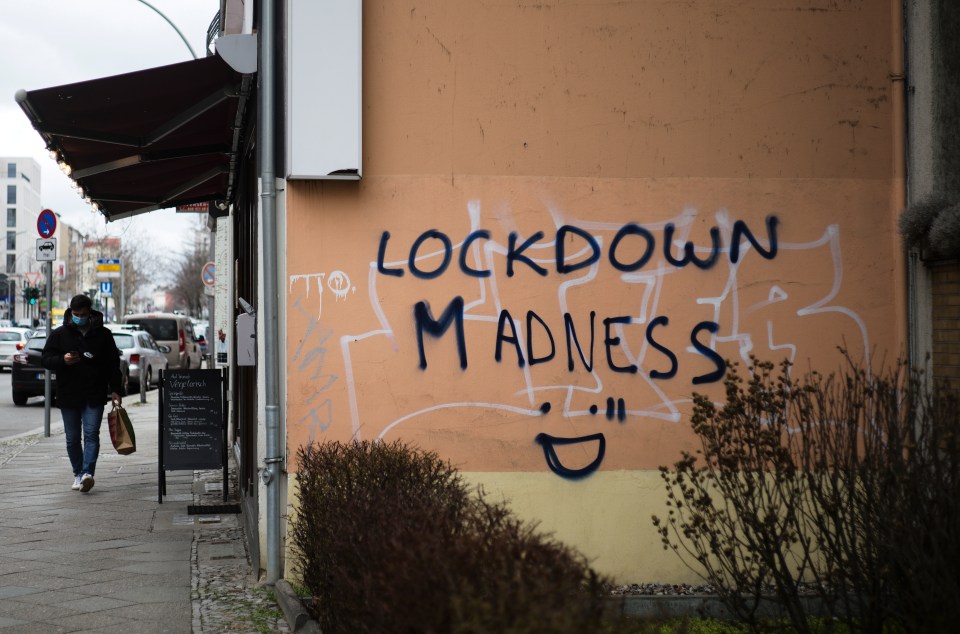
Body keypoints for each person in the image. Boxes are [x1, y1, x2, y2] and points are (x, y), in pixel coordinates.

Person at [42, 294, 123, 493]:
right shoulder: (60, 334)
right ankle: (78, 473)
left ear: (90, 313)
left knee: (91, 434)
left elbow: (113, 364)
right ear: (70, 312)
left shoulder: (103, 334)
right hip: (68, 393)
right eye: (76, 314)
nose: (79, 317)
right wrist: (63, 360)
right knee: (72, 438)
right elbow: (46, 359)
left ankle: (88, 473)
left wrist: (116, 390)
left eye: (83, 314)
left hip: (94, 392)